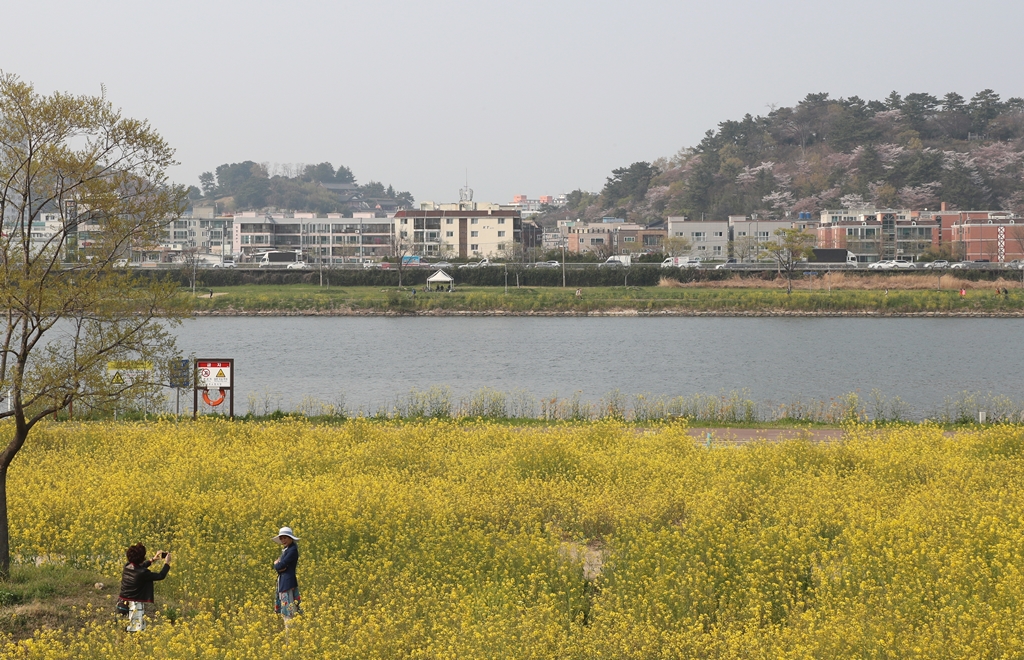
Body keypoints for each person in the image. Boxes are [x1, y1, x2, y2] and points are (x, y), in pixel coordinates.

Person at [118, 543, 171, 632]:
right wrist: (167, 563)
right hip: (134, 606)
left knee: (122, 630)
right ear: (142, 558)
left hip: (121, 603)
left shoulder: (127, 566)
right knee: (136, 632)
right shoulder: (143, 573)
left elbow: (139, 567)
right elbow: (160, 575)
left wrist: (153, 560)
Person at [273, 526, 301, 623]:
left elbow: (280, 565)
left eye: (285, 537)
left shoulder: (292, 550)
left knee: (289, 611)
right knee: (287, 609)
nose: (283, 540)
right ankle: (289, 633)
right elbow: (281, 567)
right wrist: (280, 566)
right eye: (281, 538)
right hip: (284, 582)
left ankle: (290, 634)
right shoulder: (287, 549)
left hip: (288, 584)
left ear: (290, 538)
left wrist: (277, 564)